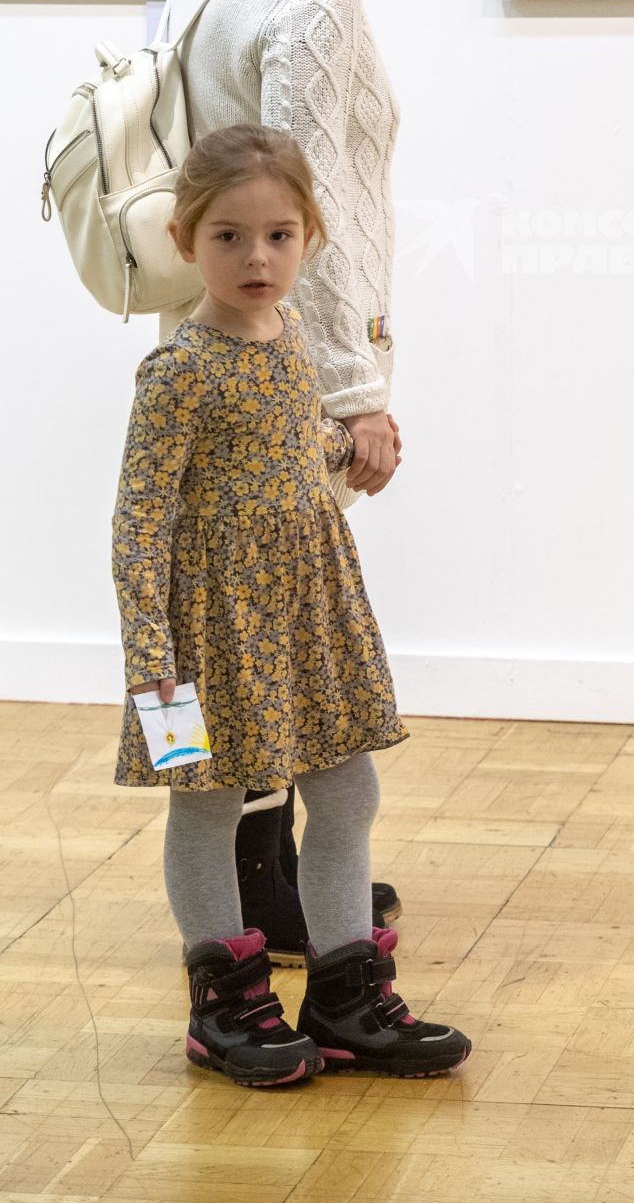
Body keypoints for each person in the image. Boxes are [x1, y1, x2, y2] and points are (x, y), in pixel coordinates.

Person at [113, 124, 471, 1086]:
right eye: (228, 237)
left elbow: (278, 449)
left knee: (347, 789)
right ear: (186, 243)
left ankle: (346, 993)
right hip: (203, 636)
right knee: (209, 800)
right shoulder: (177, 374)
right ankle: (223, 1008)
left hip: (307, 614)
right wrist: (151, 654)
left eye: (277, 234)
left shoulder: (293, 338)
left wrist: (343, 446)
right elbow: (141, 520)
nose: (256, 257)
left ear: (309, 235)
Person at [158, 0, 430, 954]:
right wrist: (352, 393)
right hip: (280, 372)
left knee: (241, 640)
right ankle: (264, 906)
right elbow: (303, 195)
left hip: (217, 335)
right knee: (271, 642)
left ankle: (268, 888)